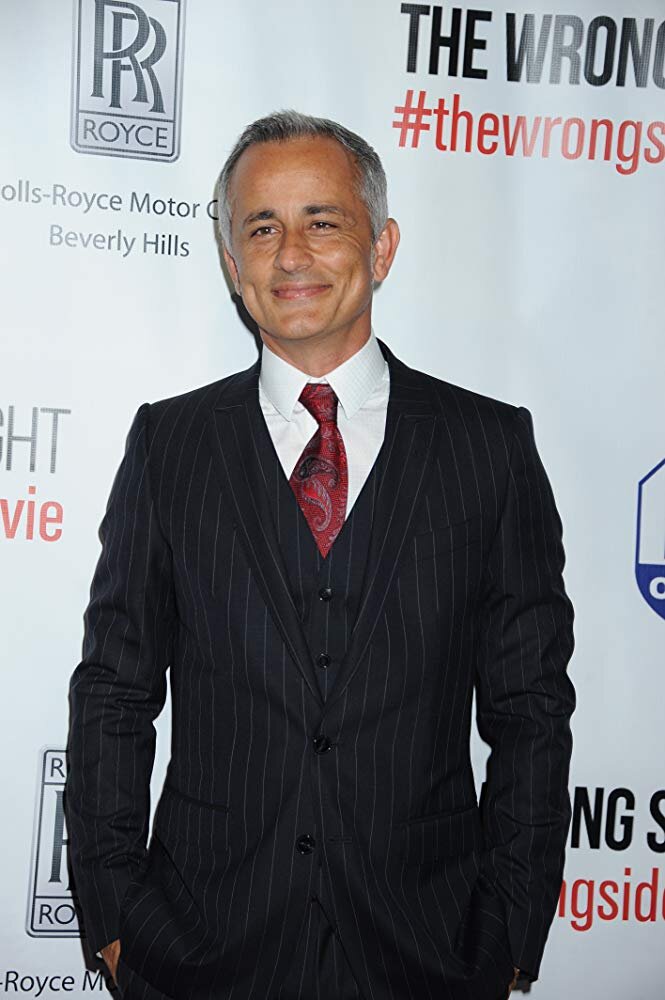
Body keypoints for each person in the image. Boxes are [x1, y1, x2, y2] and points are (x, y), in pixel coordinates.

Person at [66, 110, 575, 1000]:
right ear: (232, 263)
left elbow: (530, 707)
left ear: (381, 247)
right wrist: (113, 919)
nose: (290, 254)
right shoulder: (169, 445)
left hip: (429, 950)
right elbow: (114, 690)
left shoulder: (488, 447)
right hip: (197, 950)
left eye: (322, 221)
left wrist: (509, 929)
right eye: (261, 228)